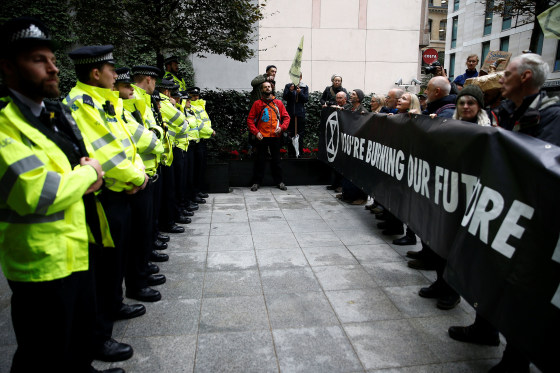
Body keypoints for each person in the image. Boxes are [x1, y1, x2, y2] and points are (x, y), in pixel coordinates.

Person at [0, 17, 122, 373]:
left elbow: (78, 163)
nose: (53, 68)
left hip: (74, 247)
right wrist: (87, 173)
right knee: (44, 353)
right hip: (40, 264)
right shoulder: (6, 126)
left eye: (52, 59)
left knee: (78, 340)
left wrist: (83, 173)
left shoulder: (50, 116)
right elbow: (37, 191)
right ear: (8, 67)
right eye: (39, 60)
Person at [451, 53, 560, 373]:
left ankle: (516, 359)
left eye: (508, 73)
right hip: (500, 203)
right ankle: (484, 327)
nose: (501, 78)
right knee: (490, 267)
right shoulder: (504, 109)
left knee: (522, 283)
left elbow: (543, 165)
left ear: (525, 77)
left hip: (529, 215)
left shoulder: (551, 115)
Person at [65, 45, 150, 362]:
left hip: (121, 189)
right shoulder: (83, 103)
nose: (117, 75)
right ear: (95, 72)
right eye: (111, 69)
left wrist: (136, 176)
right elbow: (105, 154)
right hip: (105, 195)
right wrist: (135, 178)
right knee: (104, 267)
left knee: (117, 260)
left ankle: (114, 306)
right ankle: (99, 336)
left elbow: (126, 145)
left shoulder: (103, 100)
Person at [247, 81, 290, 191]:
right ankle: (256, 182)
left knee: (277, 161)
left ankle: (279, 182)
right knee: (259, 161)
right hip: (262, 137)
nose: (267, 88)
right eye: (265, 87)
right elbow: (250, 120)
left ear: (272, 88)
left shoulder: (278, 103)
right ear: (262, 90)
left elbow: (286, 117)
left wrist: (281, 128)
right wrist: (256, 132)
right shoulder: (257, 104)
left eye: (269, 87)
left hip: (275, 136)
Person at [188, 86, 215, 202]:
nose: (195, 97)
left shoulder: (200, 105)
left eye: (197, 95)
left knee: (201, 168)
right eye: (193, 95)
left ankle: (199, 190)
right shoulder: (191, 106)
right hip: (197, 140)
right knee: (196, 169)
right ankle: (195, 192)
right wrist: (210, 131)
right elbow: (198, 124)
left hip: (202, 139)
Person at [282, 72, 309, 157]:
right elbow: (285, 97)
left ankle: (299, 153)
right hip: (290, 114)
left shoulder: (304, 87)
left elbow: (305, 99)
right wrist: (290, 91)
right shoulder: (288, 86)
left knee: (299, 134)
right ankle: (291, 153)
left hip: (299, 114)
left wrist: (300, 93)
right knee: (291, 133)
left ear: (301, 78)